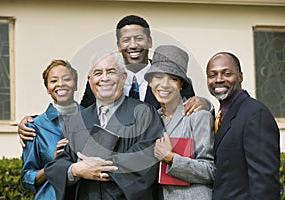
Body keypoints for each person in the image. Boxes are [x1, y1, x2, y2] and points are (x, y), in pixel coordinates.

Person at [17, 15, 211, 147]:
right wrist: (35, 121)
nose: (133, 45)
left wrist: (206, 104)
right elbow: (81, 114)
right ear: (118, 45)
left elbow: (190, 116)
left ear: (150, 42)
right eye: (126, 40)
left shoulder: (170, 79)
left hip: (162, 166)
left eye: (139, 38)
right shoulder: (103, 80)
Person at [44, 51, 164, 200]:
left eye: (111, 71)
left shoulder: (144, 114)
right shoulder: (75, 122)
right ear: (90, 80)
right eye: (98, 73)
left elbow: (146, 157)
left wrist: (96, 167)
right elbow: (60, 162)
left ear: (123, 77)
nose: (104, 78)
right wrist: (75, 170)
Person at [206, 52, 280, 199]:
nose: (219, 80)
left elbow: (265, 182)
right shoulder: (218, 116)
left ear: (240, 76)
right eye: (212, 75)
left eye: (227, 73)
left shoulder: (255, 114)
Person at [145, 45, 215, 200]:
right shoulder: (151, 119)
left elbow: (210, 170)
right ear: (150, 82)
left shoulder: (198, 115)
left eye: (173, 78)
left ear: (181, 84)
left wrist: (171, 158)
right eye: (158, 77)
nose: (164, 84)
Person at [21, 60, 83, 199]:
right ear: (47, 88)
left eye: (67, 79)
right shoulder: (34, 126)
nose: (60, 84)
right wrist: (53, 166)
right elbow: (27, 178)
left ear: (76, 85)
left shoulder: (93, 119)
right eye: (54, 80)